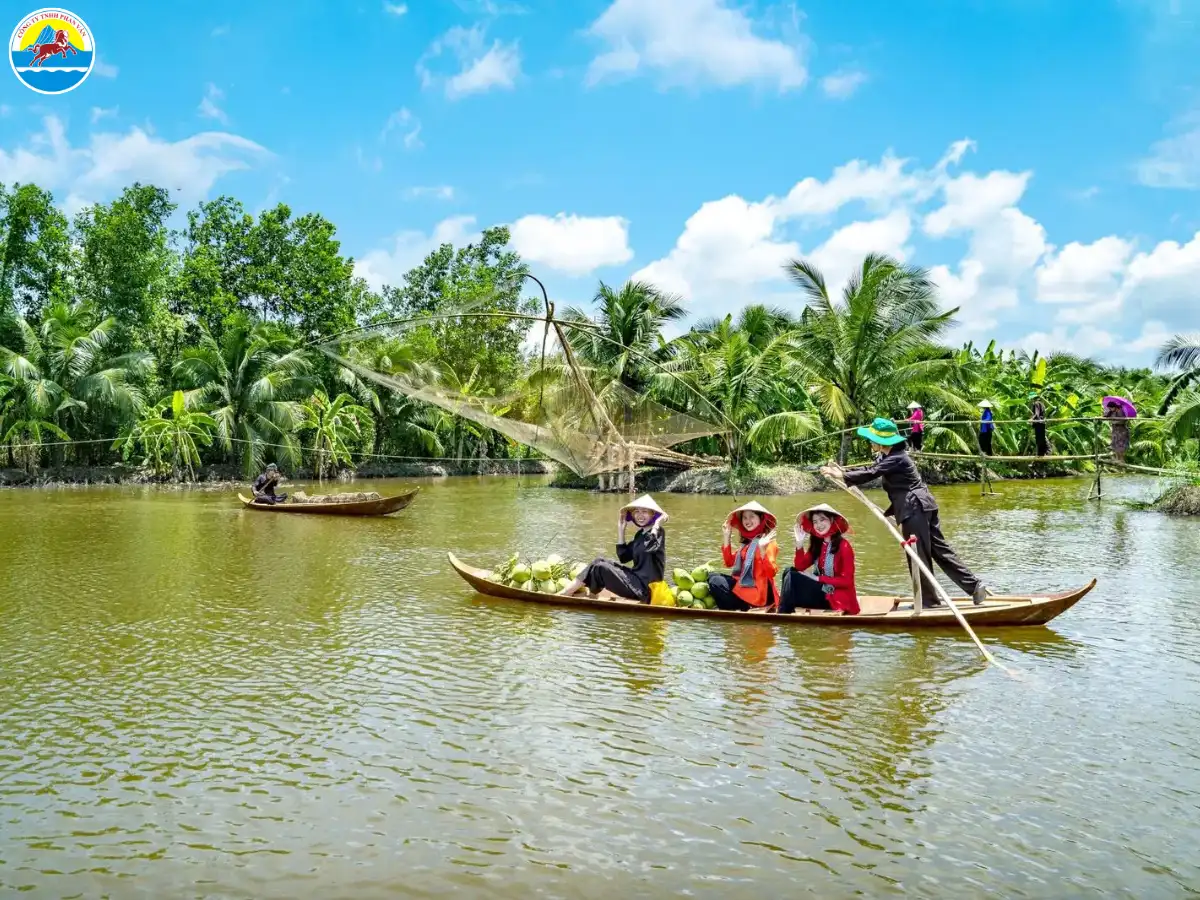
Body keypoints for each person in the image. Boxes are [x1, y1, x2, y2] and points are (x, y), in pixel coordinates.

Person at [822, 417, 989, 607]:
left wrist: (841, 475)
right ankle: (974, 586)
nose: (870, 442)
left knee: (917, 554)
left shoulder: (897, 458)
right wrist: (843, 472)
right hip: (922, 505)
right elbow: (871, 468)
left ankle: (929, 601)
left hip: (914, 508)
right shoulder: (890, 456)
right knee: (938, 550)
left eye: (872, 439)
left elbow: (871, 472)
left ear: (880, 441)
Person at [559, 494, 667, 602]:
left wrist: (657, 523)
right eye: (637, 511)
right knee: (599, 560)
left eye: (644, 511)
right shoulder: (640, 535)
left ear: (653, 514)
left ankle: (566, 593)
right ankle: (576, 592)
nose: (640, 515)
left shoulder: (659, 532)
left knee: (601, 567)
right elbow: (624, 557)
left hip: (646, 589)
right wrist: (621, 530)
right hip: (636, 580)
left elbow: (649, 546)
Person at [780, 503, 859, 615]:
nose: (818, 525)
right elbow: (800, 566)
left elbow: (847, 581)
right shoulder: (817, 544)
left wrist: (818, 579)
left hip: (835, 597)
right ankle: (785, 610)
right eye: (815, 521)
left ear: (831, 520)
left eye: (822, 520)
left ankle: (783, 613)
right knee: (789, 571)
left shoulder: (844, 546)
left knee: (792, 577)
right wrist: (799, 544)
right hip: (822, 590)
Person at [707, 501, 779, 612]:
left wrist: (762, 550)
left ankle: (742, 607)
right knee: (711, 576)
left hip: (759, 595)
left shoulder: (767, 542)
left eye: (751, 517)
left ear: (761, 519)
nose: (747, 521)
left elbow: (771, 573)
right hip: (744, 588)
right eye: (744, 518)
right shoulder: (747, 544)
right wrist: (726, 536)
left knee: (716, 581)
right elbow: (729, 562)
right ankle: (735, 605)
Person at [1104, 399, 1131, 464]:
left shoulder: (1120, 411)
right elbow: (1107, 417)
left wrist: (1114, 421)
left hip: (1121, 430)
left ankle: (1121, 460)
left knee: (1120, 445)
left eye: (1111, 408)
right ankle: (1117, 458)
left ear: (1114, 406)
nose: (1110, 409)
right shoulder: (1111, 412)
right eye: (1109, 408)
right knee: (1115, 444)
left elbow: (1123, 420)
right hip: (1115, 430)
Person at [1030, 392, 1048, 457]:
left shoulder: (1036, 403)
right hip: (1042, 422)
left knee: (1039, 439)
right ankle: (1042, 454)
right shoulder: (1042, 404)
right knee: (1041, 438)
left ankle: (1040, 454)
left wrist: (1031, 419)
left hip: (1038, 422)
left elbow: (1036, 414)